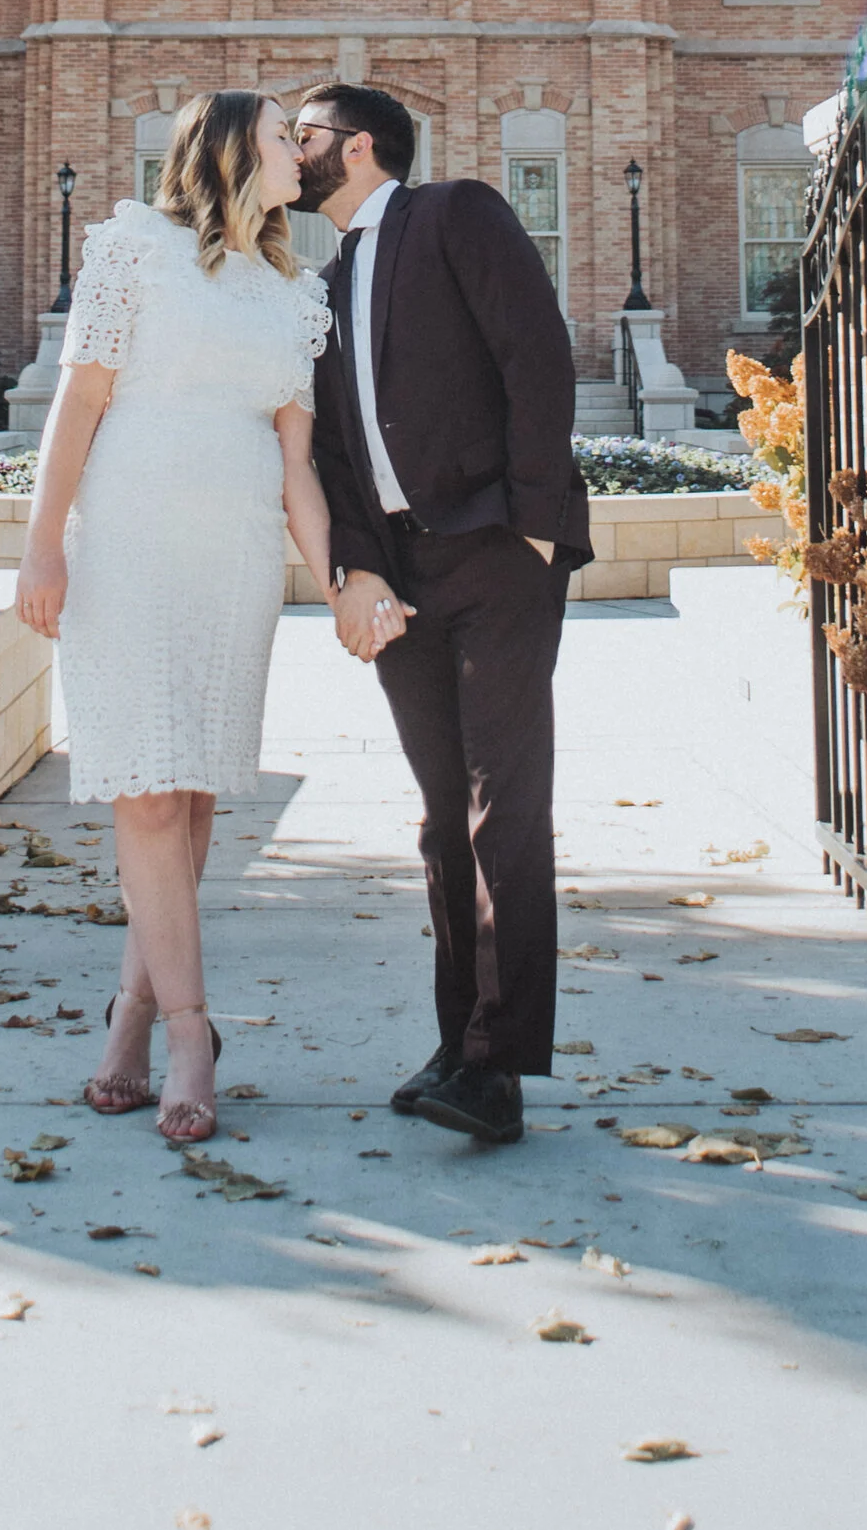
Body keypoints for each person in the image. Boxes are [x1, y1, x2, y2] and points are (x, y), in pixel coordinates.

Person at [12, 92, 340, 1146]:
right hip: (130, 541)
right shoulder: (134, 248)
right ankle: (193, 1034)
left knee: (188, 791)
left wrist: (341, 584)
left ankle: (131, 1016)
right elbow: (78, 402)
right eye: (288, 136)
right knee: (145, 790)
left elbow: (297, 464)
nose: (304, 151)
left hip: (233, 554)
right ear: (236, 146)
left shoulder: (294, 290)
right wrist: (42, 539)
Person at [297, 81, 591, 1146]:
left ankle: (497, 1068)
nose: (292, 151)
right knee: (438, 816)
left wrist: (533, 521)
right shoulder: (321, 284)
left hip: (495, 554)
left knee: (499, 804)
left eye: (306, 134)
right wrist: (358, 573)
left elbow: (534, 351)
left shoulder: (452, 213)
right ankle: (458, 1039)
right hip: (402, 576)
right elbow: (333, 454)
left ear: (361, 146)